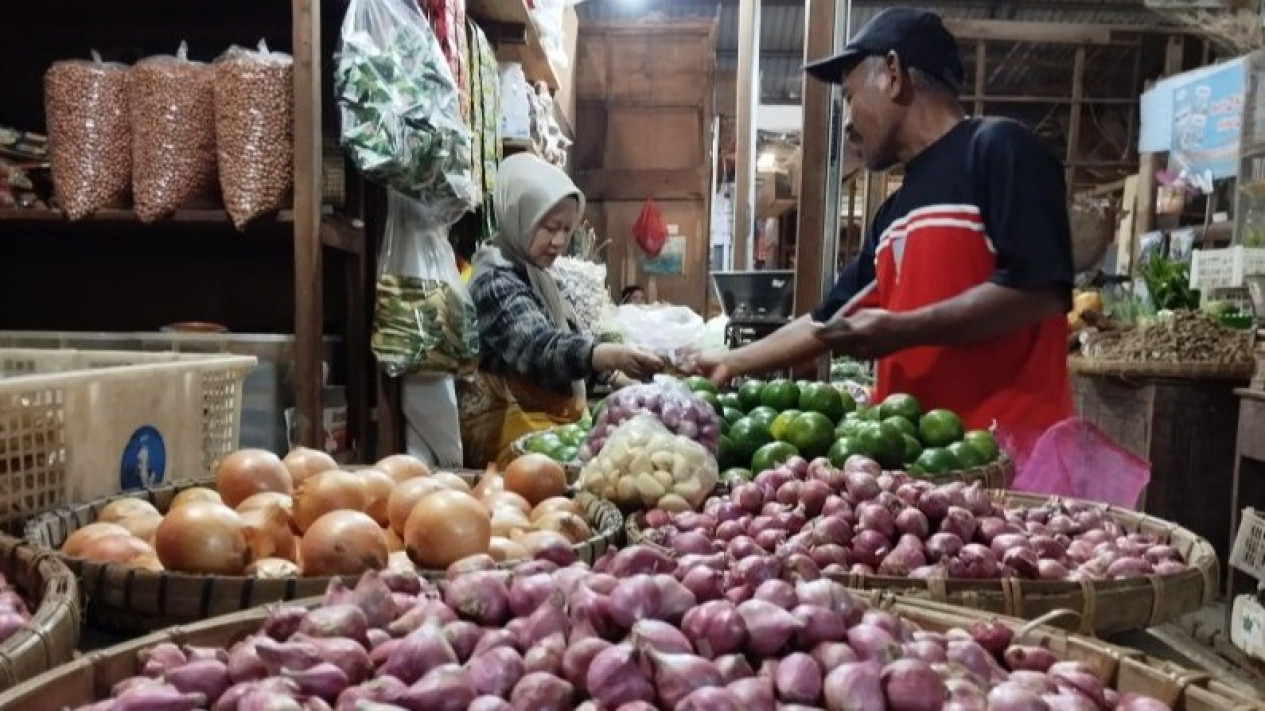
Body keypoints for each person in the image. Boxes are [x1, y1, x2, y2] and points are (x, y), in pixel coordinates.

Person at [694, 8, 1074, 468]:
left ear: (892, 74)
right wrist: (731, 363)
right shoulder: (894, 212)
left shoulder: (1000, 150)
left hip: (1009, 465)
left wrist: (902, 329)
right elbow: (826, 321)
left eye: (850, 96)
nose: (848, 121)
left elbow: (1040, 291)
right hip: (917, 472)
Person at [460, 154, 664, 467]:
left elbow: (570, 339)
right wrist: (610, 354)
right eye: (550, 227)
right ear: (519, 215)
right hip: (510, 452)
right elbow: (539, 347)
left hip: (543, 438)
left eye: (567, 230)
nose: (559, 241)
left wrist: (627, 382)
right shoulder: (495, 281)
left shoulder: (537, 275)